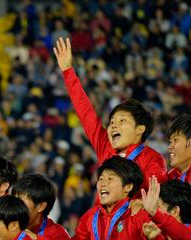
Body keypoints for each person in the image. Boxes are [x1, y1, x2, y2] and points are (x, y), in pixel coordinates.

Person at [52, 38, 167, 190]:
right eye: (112, 122)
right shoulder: (106, 147)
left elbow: (153, 196)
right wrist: (68, 71)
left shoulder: (152, 159)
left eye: (122, 121)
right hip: (101, 214)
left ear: (140, 129)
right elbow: (85, 112)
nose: (113, 126)